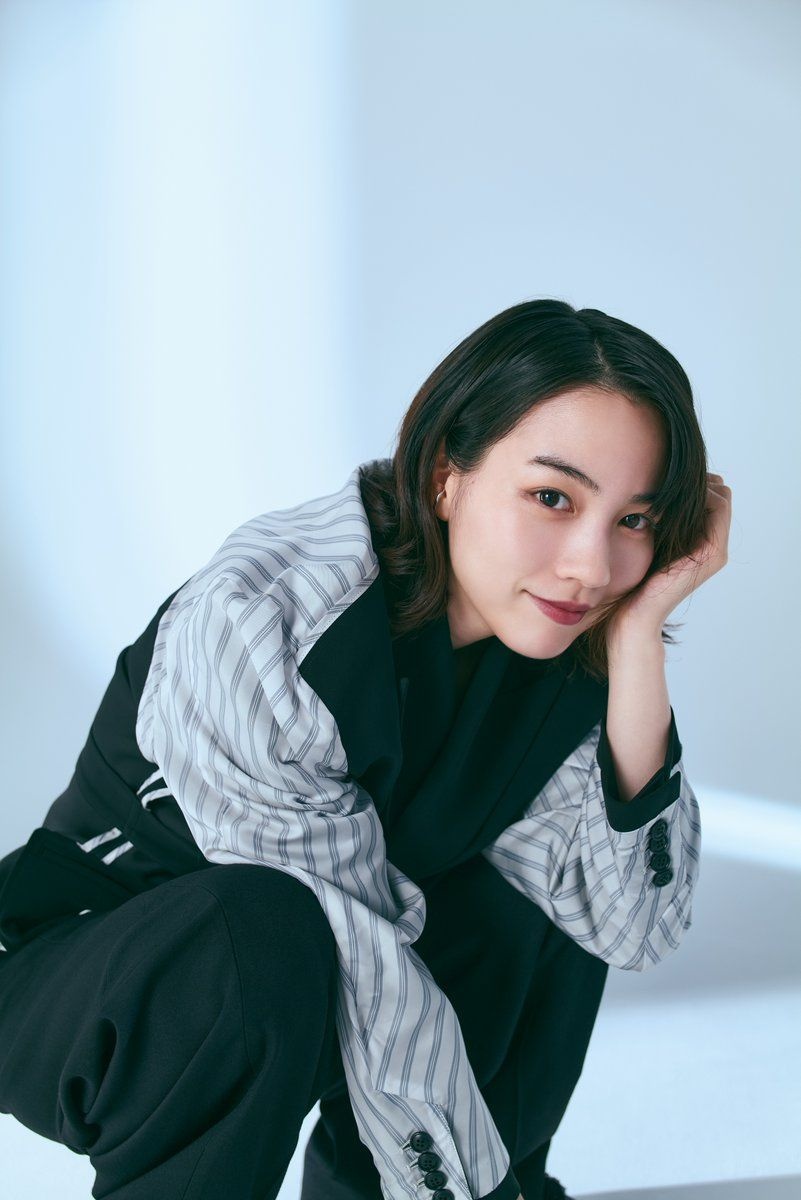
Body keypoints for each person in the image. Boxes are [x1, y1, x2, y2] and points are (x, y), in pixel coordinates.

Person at [0, 298, 730, 1200]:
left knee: (541, 889)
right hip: (92, 984)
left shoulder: (556, 644)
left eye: (634, 521)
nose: (590, 565)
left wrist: (639, 643)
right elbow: (353, 955)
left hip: (314, 980)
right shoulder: (266, 614)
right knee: (260, 927)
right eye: (552, 498)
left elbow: (626, 925)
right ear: (445, 476)